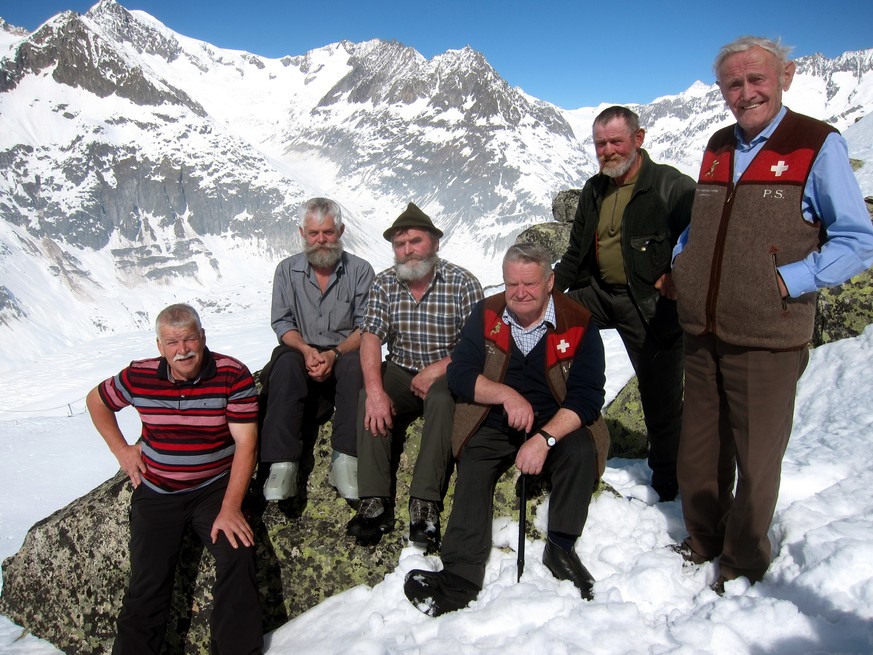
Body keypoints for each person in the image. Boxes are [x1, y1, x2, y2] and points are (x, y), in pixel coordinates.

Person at [670, 36, 873, 592]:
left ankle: (742, 561)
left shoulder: (816, 143)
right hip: (704, 327)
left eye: (756, 78)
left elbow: (857, 240)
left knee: (757, 461)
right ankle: (703, 537)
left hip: (767, 333)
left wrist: (786, 281)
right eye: (733, 83)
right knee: (700, 452)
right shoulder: (717, 144)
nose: (746, 92)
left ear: (785, 75)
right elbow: (703, 223)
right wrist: (682, 261)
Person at [404, 243, 607, 616]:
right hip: (495, 419)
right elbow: (462, 373)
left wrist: (545, 439)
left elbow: (587, 396)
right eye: (511, 283)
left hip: (555, 421)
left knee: (579, 451)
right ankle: (460, 578)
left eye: (529, 283)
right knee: (474, 464)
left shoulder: (579, 321)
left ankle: (560, 548)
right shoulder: (487, 313)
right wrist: (507, 395)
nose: (519, 292)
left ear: (550, 282)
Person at [85, 303, 263, 654]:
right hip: (157, 490)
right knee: (147, 584)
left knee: (238, 556)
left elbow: (246, 443)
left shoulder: (232, 374)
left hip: (213, 488)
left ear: (203, 338)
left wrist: (230, 507)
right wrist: (122, 450)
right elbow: (96, 401)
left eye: (189, 339)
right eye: (171, 342)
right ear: (159, 347)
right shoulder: (139, 376)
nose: (182, 350)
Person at [553, 105, 696, 502]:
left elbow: (702, 240)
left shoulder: (672, 186)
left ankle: (669, 482)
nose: (608, 151)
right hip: (599, 294)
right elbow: (574, 253)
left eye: (616, 141)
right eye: (601, 143)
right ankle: (552, 421)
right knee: (548, 326)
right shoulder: (594, 189)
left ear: (639, 138)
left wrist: (677, 274)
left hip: (648, 303)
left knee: (660, 395)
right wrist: (549, 291)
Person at [346, 202, 484, 546]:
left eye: (415, 241)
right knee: (369, 397)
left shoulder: (462, 283)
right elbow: (371, 337)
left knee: (440, 400)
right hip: (401, 368)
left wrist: (437, 369)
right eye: (400, 244)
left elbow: (478, 346)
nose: (407, 251)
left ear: (435, 243)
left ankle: (424, 502)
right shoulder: (385, 284)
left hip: (448, 371)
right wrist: (376, 390)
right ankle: (374, 501)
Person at [260, 198, 375, 502]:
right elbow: (282, 322)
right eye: (313, 233)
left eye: (328, 232)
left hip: (343, 352)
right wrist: (306, 349)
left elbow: (367, 326)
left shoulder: (361, 271)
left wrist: (334, 354)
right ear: (302, 232)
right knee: (284, 365)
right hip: (301, 350)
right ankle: (282, 463)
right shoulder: (286, 271)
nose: (321, 240)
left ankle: (345, 459)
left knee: (357, 366)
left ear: (341, 230)